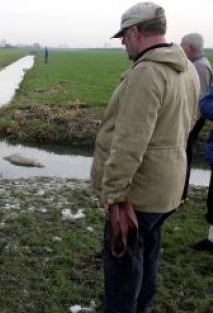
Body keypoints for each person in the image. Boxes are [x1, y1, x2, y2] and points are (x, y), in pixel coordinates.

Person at [90, 2, 200, 313]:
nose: (123, 41)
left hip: (137, 193)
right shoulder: (185, 67)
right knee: (147, 251)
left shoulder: (147, 72)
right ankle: (143, 306)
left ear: (137, 32)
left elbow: (129, 144)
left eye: (124, 35)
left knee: (123, 263)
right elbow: (189, 122)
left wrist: (113, 193)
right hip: (167, 187)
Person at [180, 32, 213, 251]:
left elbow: (200, 100)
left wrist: (187, 121)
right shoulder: (200, 63)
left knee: (184, 154)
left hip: (193, 120)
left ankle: (180, 193)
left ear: (190, 48)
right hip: (195, 119)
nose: (180, 49)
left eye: (182, 46)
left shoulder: (199, 67)